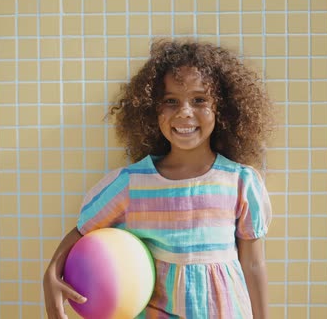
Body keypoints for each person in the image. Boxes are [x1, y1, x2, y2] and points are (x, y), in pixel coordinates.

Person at [43, 39, 275, 319]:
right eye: (170, 101)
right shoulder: (131, 184)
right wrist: (51, 274)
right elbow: (82, 229)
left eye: (200, 99)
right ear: (153, 110)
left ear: (222, 109)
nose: (184, 112)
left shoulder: (241, 182)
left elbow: (252, 264)